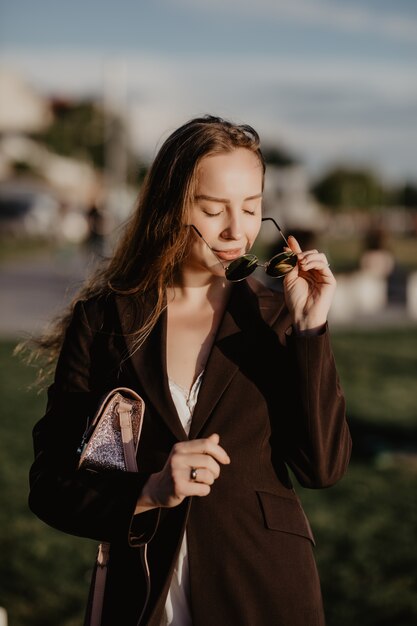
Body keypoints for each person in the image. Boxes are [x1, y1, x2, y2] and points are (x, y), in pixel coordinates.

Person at [28, 115, 351, 626]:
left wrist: (311, 330)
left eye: (251, 208)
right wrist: (148, 492)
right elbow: (49, 486)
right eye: (213, 208)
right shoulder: (105, 319)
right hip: (142, 595)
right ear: (171, 205)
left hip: (264, 588)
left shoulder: (276, 315)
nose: (236, 230)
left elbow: (323, 467)